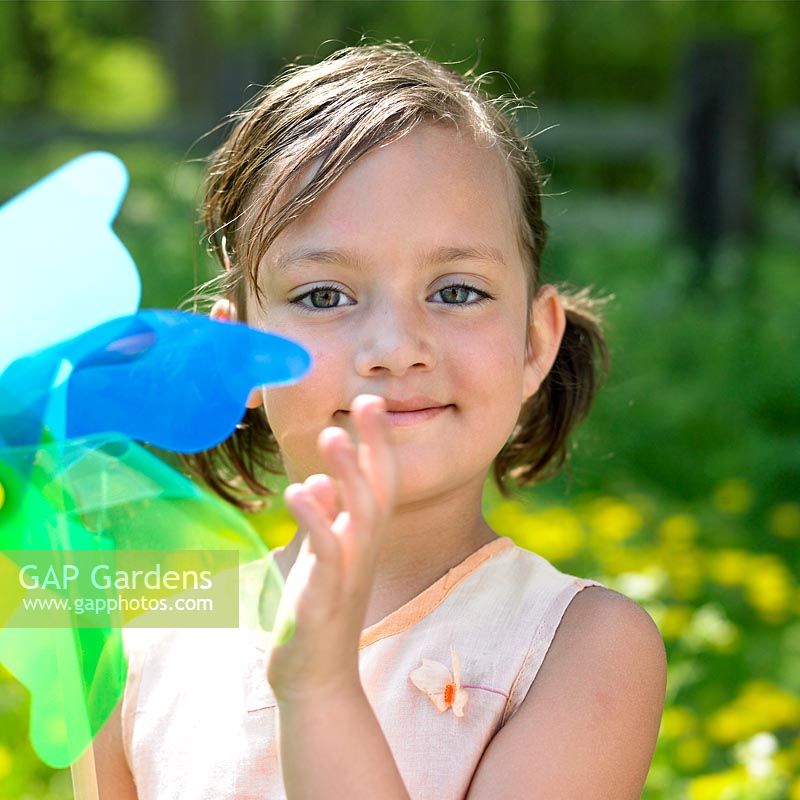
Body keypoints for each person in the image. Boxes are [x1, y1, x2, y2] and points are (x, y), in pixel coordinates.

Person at [94, 41, 667, 799]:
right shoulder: (135, 657)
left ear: (533, 343)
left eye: (457, 291)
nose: (396, 350)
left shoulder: (582, 649)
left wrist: (322, 692)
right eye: (324, 296)